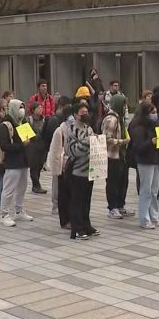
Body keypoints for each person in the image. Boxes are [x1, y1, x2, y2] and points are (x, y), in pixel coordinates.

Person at [65, 102, 99, 240]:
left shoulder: (89, 129)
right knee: (77, 201)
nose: (86, 115)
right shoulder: (71, 130)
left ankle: (86, 224)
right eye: (82, 113)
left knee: (87, 200)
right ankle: (77, 227)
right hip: (77, 171)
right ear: (75, 115)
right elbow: (72, 151)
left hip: (89, 170)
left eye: (87, 112)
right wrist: (88, 142)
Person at [0, 99, 32, 227]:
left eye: (23, 107)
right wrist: (20, 146)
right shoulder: (5, 125)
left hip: (24, 161)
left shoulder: (22, 122)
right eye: (19, 108)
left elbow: (31, 138)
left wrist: (30, 138)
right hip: (12, 162)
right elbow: (4, 145)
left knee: (22, 187)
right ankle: (4, 214)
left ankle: (19, 210)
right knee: (9, 189)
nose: (22, 110)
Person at [129, 103, 159, 229]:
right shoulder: (138, 127)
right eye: (151, 112)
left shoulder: (155, 125)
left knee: (154, 191)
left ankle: (154, 216)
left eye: (155, 112)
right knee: (146, 190)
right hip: (145, 161)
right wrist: (151, 142)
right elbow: (137, 147)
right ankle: (144, 218)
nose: (154, 115)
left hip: (156, 160)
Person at [102, 93, 133, 219]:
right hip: (112, 155)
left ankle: (120, 205)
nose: (126, 108)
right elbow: (106, 138)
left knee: (123, 181)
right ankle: (112, 207)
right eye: (124, 105)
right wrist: (122, 142)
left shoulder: (120, 118)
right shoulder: (111, 119)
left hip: (121, 155)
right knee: (112, 182)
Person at [45, 97, 73, 218]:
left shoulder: (73, 126)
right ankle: (56, 206)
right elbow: (51, 141)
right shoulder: (56, 123)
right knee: (57, 184)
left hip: (69, 160)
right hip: (59, 158)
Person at [26, 102, 49, 194]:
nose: (40, 109)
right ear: (33, 110)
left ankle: (36, 184)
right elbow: (25, 134)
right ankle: (36, 185)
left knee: (39, 165)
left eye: (41, 107)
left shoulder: (44, 120)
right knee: (34, 166)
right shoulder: (28, 119)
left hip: (42, 146)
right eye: (38, 108)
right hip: (32, 146)